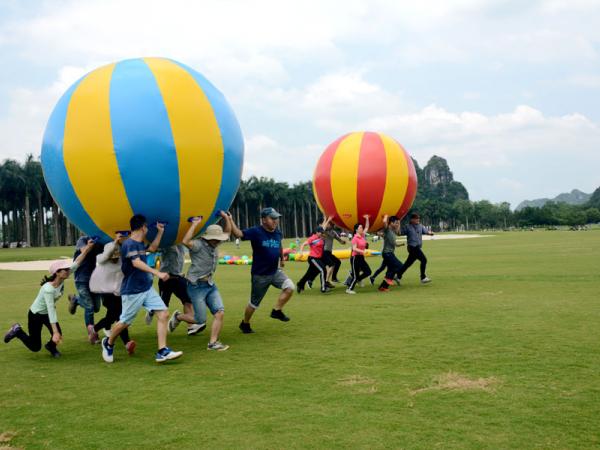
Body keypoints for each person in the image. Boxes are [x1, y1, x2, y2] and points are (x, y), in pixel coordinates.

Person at [100, 215, 183, 363]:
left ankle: (162, 351)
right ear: (143, 227)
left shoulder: (139, 244)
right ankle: (108, 342)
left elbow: (152, 248)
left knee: (163, 314)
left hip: (146, 288)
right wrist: (158, 273)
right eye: (146, 227)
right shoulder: (129, 244)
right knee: (124, 322)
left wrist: (160, 232)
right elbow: (136, 263)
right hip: (132, 291)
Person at [4, 240, 96, 357]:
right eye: (65, 269)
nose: (68, 271)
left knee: (58, 334)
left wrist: (87, 247)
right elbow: (51, 310)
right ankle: (17, 331)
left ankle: (51, 347)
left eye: (68, 269)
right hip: (36, 315)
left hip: (46, 313)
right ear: (57, 273)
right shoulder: (48, 289)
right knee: (35, 346)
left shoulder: (63, 277)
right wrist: (55, 332)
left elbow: (77, 262)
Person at [170, 212, 232, 351]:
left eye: (218, 239)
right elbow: (185, 241)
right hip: (196, 286)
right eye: (215, 239)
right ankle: (179, 317)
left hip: (210, 284)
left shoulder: (216, 243)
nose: (217, 241)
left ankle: (213, 343)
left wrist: (227, 218)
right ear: (208, 238)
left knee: (219, 312)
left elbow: (227, 232)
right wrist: (194, 224)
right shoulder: (198, 245)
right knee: (200, 320)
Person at [230, 207, 294, 334]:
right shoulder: (256, 232)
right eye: (272, 218)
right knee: (254, 304)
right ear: (264, 220)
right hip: (260, 275)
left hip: (275, 271)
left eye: (276, 218)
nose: (275, 221)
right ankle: (245, 323)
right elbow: (238, 234)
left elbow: (279, 245)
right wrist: (230, 220)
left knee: (290, 287)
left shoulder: (277, 232)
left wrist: (282, 259)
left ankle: (276, 311)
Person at [89, 232, 136, 355]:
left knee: (116, 317)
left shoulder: (121, 260)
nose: (115, 256)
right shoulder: (102, 259)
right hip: (107, 292)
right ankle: (127, 342)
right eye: (113, 253)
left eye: (117, 253)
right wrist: (114, 242)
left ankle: (94, 329)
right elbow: (103, 257)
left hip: (120, 292)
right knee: (118, 316)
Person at [146, 243, 201, 336]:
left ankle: (191, 327)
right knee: (162, 306)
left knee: (188, 302)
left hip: (179, 277)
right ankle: (152, 310)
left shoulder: (181, 245)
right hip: (166, 278)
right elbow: (153, 249)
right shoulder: (166, 244)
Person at [67, 235, 104, 344]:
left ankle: (76, 300)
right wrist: (90, 244)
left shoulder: (100, 243)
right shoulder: (82, 240)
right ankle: (92, 334)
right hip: (81, 279)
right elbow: (84, 250)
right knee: (90, 307)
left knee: (96, 308)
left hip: (94, 279)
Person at [396, 213, 434, 283]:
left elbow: (425, 232)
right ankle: (423, 277)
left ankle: (398, 275)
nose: (418, 220)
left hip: (417, 247)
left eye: (418, 218)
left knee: (408, 263)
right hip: (412, 247)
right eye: (416, 218)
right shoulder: (407, 227)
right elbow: (399, 233)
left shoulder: (420, 226)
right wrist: (398, 224)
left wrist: (430, 233)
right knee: (424, 260)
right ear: (412, 219)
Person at [296, 224, 330, 294]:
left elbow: (325, 229)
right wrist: (301, 252)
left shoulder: (322, 237)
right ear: (316, 232)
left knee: (309, 274)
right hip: (312, 258)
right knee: (323, 269)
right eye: (320, 232)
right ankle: (323, 288)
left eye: (322, 232)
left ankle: (300, 284)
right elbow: (303, 244)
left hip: (318, 258)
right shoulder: (312, 238)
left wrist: (327, 220)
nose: (321, 233)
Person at [375, 215, 405, 292]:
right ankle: (388, 278)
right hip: (387, 253)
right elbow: (385, 222)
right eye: (395, 223)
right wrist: (385, 216)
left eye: (398, 223)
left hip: (390, 253)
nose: (397, 225)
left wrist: (401, 244)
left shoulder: (393, 232)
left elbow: (395, 242)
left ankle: (383, 287)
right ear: (391, 223)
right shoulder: (387, 230)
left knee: (391, 269)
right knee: (400, 266)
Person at [346, 215, 372, 294]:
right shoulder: (355, 238)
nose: (362, 229)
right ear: (356, 230)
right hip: (355, 258)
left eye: (362, 227)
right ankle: (349, 289)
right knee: (355, 275)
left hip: (361, 257)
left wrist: (367, 218)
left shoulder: (362, 235)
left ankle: (358, 279)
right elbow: (354, 249)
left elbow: (367, 227)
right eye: (360, 228)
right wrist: (362, 251)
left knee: (368, 271)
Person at [322, 217, 346, 283]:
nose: (331, 225)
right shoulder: (324, 231)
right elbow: (323, 228)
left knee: (337, 262)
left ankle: (333, 278)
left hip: (329, 252)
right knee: (327, 266)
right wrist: (327, 220)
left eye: (332, 224)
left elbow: (339, 240)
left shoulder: (333, 232)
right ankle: (326, 281)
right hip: (324, 252)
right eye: (330, 224)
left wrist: (343, 242)